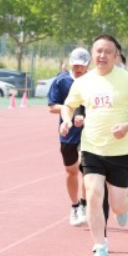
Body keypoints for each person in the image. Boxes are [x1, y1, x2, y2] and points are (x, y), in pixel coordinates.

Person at [60, 34, 128, 256]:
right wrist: (67, 120)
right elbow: (68, 106)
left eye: (108, 52)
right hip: (92, 148)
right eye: (98, 51)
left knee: (119, 204)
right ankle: (100, 246)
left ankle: (124, 208)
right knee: (93, 194)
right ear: (93, 54)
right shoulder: (83, 82)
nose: (102, 55)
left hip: (121, 151)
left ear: (116, 55)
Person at [47, 47, 91, 227]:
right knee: (71, 171)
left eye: (82, 65)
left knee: (89, 170)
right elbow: (52, 107)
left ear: (88, 64)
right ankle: (74, 206)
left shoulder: (95, 81)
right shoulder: (61, 81)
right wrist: (71, 110)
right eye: (75, 65)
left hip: (90, 132)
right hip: (68, 132)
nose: (78, 68)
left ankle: (85, 204)